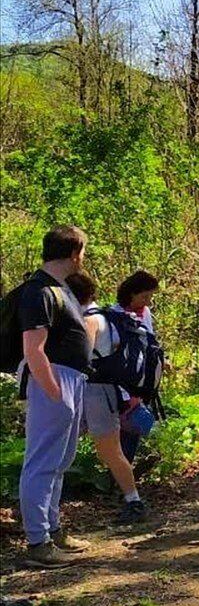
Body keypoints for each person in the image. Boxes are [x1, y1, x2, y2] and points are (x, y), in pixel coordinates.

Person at [16, 226, 93, 567]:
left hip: (70, 380)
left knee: (60, 462)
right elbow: (34, 349)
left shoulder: (59, 290)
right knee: (42, 462)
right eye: (84, 252)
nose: (84, 258)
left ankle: (52, 528)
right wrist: (55, 392)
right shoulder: (39, 291)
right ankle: (37, 542)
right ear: (74, 252)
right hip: (54, 380)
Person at [65, 272, 149, 527]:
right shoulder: (106, 317)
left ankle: (134, 502)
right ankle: (133, 500)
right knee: (108, 450)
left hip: (93, 391)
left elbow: (81, 356)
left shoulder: (91, 320)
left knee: (107, 450)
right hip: (102, 391)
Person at [114, 270, 159, 465]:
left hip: (145, 380)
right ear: (131, 294)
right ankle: (119, 475)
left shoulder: (146, 313)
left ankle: (126, 469)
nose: (148, 302)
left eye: (150, 296)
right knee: (124, 426)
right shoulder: (114, 316)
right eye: (144, 297)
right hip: (123, 381)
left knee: (137, 425)